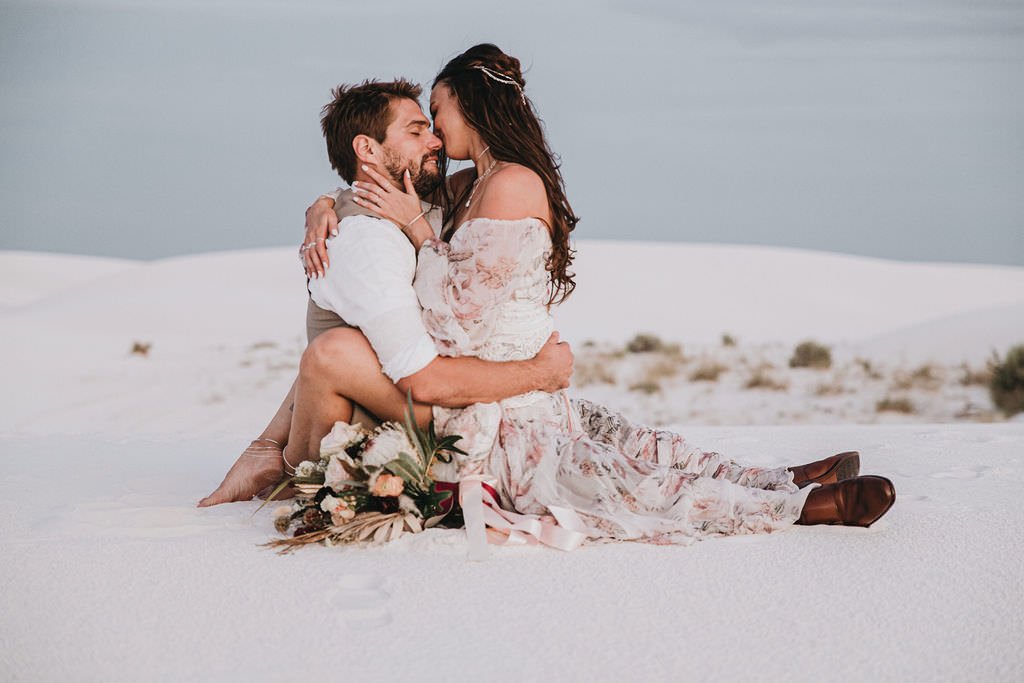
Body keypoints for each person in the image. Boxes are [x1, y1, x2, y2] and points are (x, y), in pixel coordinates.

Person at [288, 43, 896, 541]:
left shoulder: (509, 186)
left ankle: (802, 508)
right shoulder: (472, 184)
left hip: (503, 400)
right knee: (640, 453)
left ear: (468, 109)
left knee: (627, 482)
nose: (436, 132)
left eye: (438, 112)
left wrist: (418, 231)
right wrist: (324, 205)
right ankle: (788, 483)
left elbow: (457, 319)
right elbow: (384, 193)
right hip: (501, 395)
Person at [198, 79, 574, 507]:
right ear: (368, 150)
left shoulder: (436, 198)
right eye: (417, 130)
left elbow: (387, 202)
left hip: (461, 394)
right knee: (334, 353)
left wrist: (324, 202)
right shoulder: (368, 244)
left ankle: (277, 459)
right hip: (443, 394)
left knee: (340, 356)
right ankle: (291, 477)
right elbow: (425, 380)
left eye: (433, 122)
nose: (434, 139)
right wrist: (540, 373)